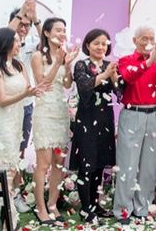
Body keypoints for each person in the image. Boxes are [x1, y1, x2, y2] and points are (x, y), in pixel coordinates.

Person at [0, 27, 48, 225]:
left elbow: (28, 88)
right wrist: (25, 94)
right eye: (15, 40)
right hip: (3, 121)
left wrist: (38, 89)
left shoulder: (19, 64)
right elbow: (1, 100)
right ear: (5, 43)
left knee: (8, 167)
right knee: (7, 166)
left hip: (18, 120)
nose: (19, 43)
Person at [113, 25, 156, 225]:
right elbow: (128, 77)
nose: (148, 42)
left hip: (153, 114)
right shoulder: (126, 60)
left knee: (149, 165)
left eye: (151, 38)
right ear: (135, 41)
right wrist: (148, 62)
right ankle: (123, 210)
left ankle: (142, 207)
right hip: (133, 114)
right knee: (128, 164)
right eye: (144, 38)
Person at [30, 17, 79, 226]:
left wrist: (67, 66)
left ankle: (52, 205)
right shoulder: (37, 56)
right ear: (47, 33)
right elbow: (42, 82)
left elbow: (66, 84)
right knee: (43, 164)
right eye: (58, 30)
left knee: (59, 161)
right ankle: (40, 208)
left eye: (64, 30)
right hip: (44, 112)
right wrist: (57, 63)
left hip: (60, 111)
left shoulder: (63, 55)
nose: (62, 34)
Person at [70, 29, 122, 224]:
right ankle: (85, 209)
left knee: (100, 164)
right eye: (96, 43)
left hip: (105, 119)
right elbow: (84, 86)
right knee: (87, 164)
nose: (101, 47)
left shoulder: (110, 65)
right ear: (88, 45)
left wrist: (114, 76)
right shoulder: (81, 65)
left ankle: (95, 204)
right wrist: (105, 74)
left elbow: (120, 93)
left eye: (104, 43)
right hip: (87, 118)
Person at [5, 0, 43, 214]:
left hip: (26, 105)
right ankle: (2, 194)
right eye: (20, 24)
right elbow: (5, 35)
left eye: (27, 26)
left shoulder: (30, 45)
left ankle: (16, 194)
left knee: (19, 152)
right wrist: (21, 12)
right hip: (5, 106)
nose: (23, 29)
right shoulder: (2, 43)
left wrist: (35, 19)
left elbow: (47, 45)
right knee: (3, 151)